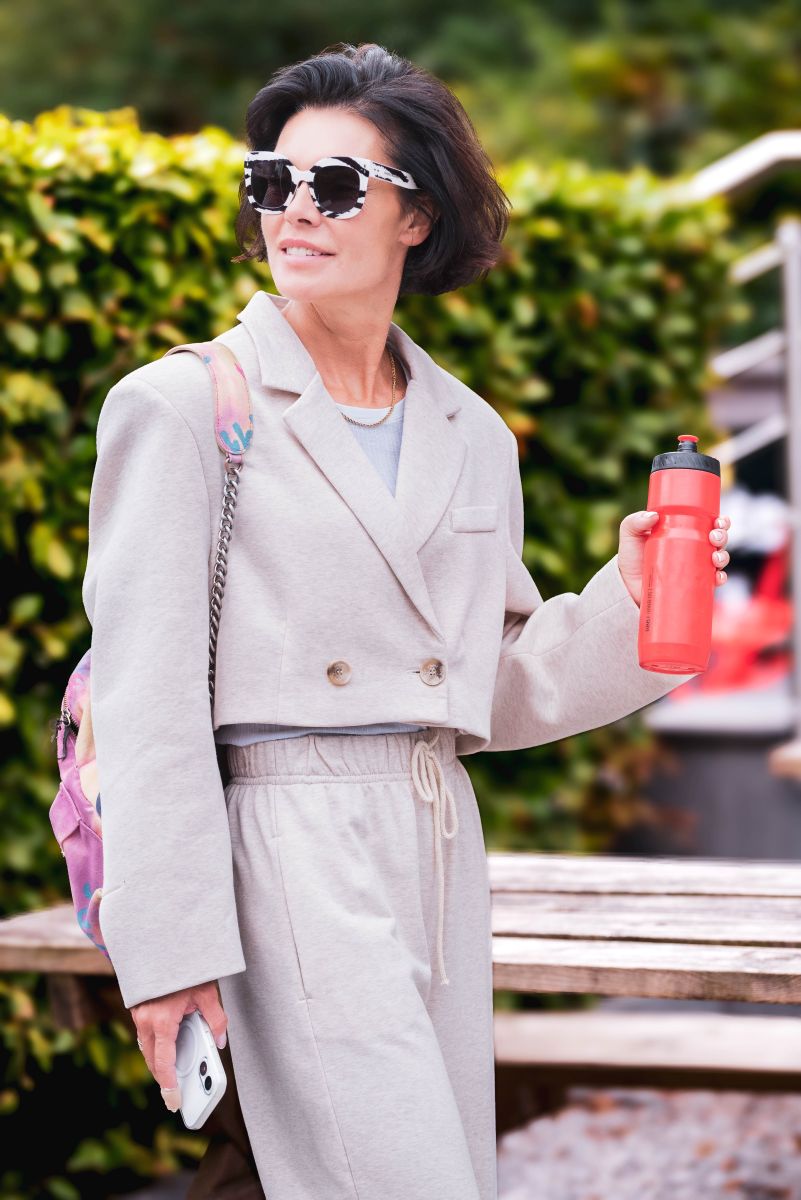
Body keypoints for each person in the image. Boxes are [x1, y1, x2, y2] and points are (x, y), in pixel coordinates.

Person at [82, 41, 731, 1200]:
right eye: (269, 182)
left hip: (437, 837)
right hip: (284, 836)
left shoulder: (467, 432)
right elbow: (146, 701)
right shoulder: (185, 404)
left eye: (336, 187)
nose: (294, 211)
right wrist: (168, 956)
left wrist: (633, 602)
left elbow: (499, 680)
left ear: (416, 218)